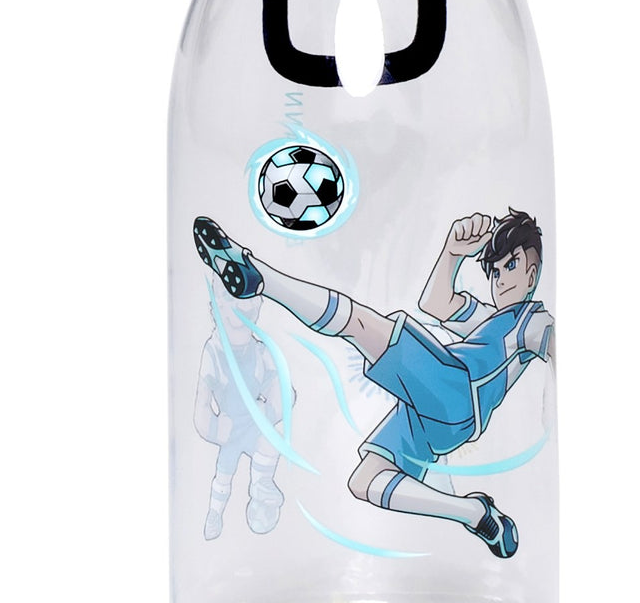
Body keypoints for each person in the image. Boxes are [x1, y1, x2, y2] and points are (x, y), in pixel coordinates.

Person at [193, 208, 553, 558]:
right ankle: (474, 514)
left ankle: (262, 278)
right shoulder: (487, 319)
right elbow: (435, 303)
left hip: (458, 394)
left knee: (362, 325)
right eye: (495, 271)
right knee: (366, 481)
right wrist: (451, 253)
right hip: (431, 412)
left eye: (511, 265)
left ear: (533, 271)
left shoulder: (531, 322)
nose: (500, 279)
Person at [193, 278, 286, 539]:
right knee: (224, 474)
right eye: (231, 297)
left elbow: (282, 390)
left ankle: (261, 486)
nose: (242, 305)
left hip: (254, 423)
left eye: (248, 298)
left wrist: (270, 411)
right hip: (230, 428)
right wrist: (214, 429)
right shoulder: (213, 353)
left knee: (272, 442)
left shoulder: (260, 352)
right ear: (216, 305)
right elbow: (201, 404)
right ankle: (215, 514)